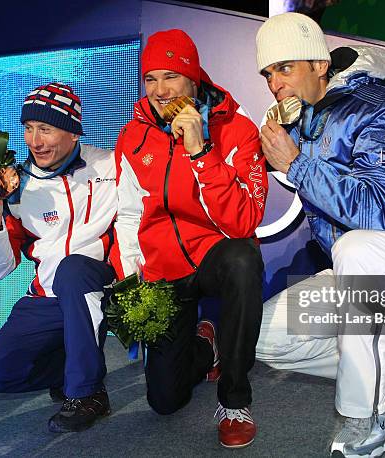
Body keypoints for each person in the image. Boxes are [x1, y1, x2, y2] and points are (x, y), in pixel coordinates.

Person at [255, 13, 385, 457]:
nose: (275, 83)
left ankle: (371, 413)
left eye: (285, 67)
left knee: (358, 246)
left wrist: (297, 164)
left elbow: (378, 211)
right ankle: (383, 364)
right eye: (268, 73)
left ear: (319, 65)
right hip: (359, 278)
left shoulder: (379, 106)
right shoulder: (301, 124)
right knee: (264, 336)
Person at [110, 29, 268, 449]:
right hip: (164, 270)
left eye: (171, 77)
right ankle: (205, 347)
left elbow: (244, 220)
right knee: (165, 401)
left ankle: (234, 402)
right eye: (150, 79)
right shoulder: (133, 136)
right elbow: (128, 214)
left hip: (215, 254)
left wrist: (200, 152)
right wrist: (132, 278)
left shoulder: (235, 127)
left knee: (242, 259)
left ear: (193, 80)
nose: (160, 90)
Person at [0, 82, 118, 433]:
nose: (34, 142)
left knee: (72, 271)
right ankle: (73, 365)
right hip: (49, 296)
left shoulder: (110, 166)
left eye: (46, 129)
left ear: (72, 131)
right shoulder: (15, 187)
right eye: (28, 128)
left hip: (102, 283)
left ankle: (87, 393)